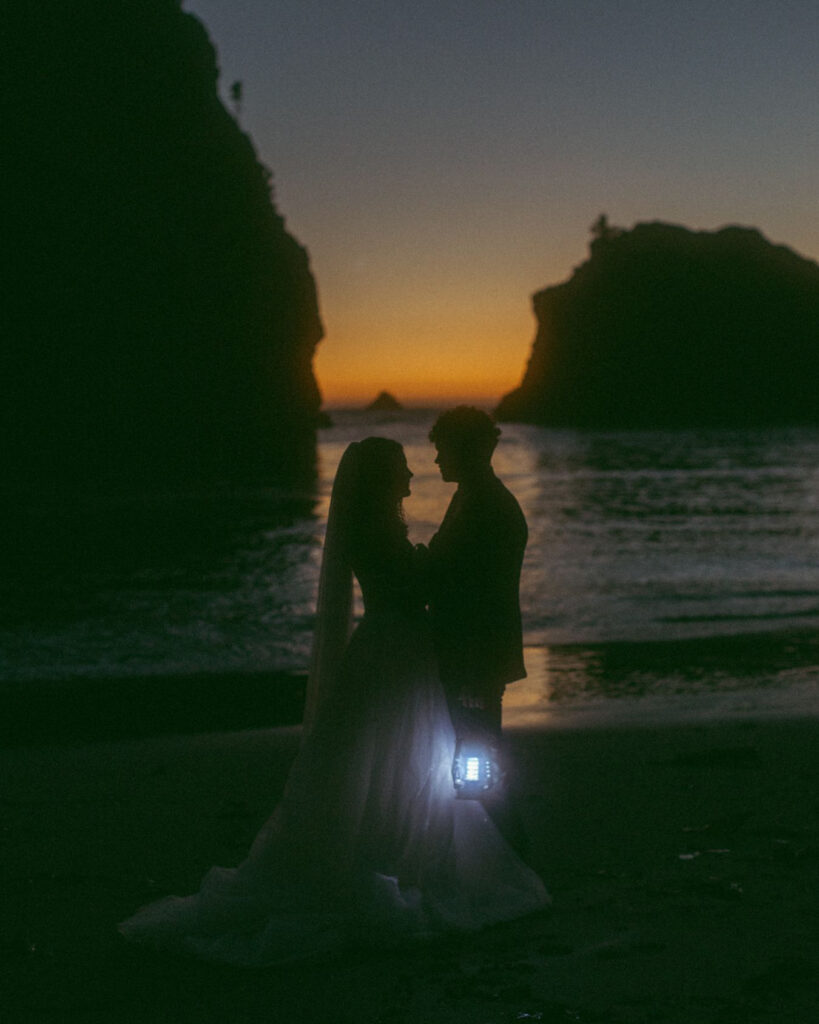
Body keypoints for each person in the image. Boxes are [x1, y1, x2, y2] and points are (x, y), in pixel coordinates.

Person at [118, 437, 548, 966]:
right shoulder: (375, 531)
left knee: (391, 760)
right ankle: (382, 860)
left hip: (397, 651)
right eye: (402, 470)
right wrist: (445, 560)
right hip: (394, 652)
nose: (413, 476)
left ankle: (390, 850)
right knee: (387, 757)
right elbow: (411, 586)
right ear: (381, 479)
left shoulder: (375, 526)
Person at [426, 407, 529, 847]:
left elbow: (477, 589)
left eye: (442, 449)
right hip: (472, 652)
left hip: (476, 654)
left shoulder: (487, 504)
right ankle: (496, 853)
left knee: (477, 763)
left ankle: (503, 856)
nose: (435, 461)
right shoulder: (475, 496)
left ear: (466, 449)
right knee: (475, 758)